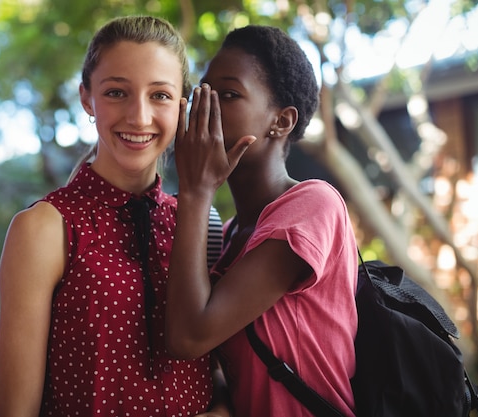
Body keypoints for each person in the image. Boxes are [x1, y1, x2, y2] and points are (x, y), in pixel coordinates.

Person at [0, 16, 229, 417]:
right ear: (87, 99)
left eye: (160, 95)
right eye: (117, 92)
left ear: (182, 105)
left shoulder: (202, 223)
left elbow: (218, 377)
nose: (138, 117)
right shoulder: (44, 229)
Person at [165, 25, 358, 417]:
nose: (207, 106)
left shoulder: (312, 206)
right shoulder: (233, 232)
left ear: (282, 121)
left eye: (229, 94)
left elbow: (189, 337)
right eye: (203, 91)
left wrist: (196, 191)